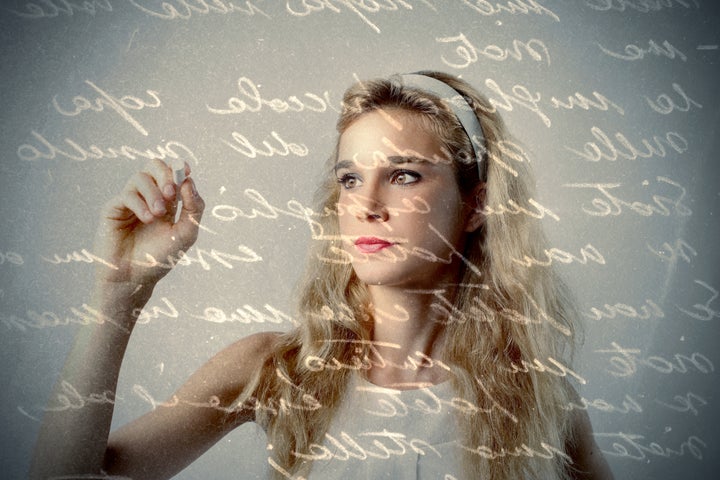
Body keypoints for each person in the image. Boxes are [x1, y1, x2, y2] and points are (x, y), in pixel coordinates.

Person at [30, 71, 614, 480]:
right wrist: (118, 291)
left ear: (477, 204)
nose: (367, 204)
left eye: (405, 175)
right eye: (351, 179)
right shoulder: (272, 368)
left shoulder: (536, 394)